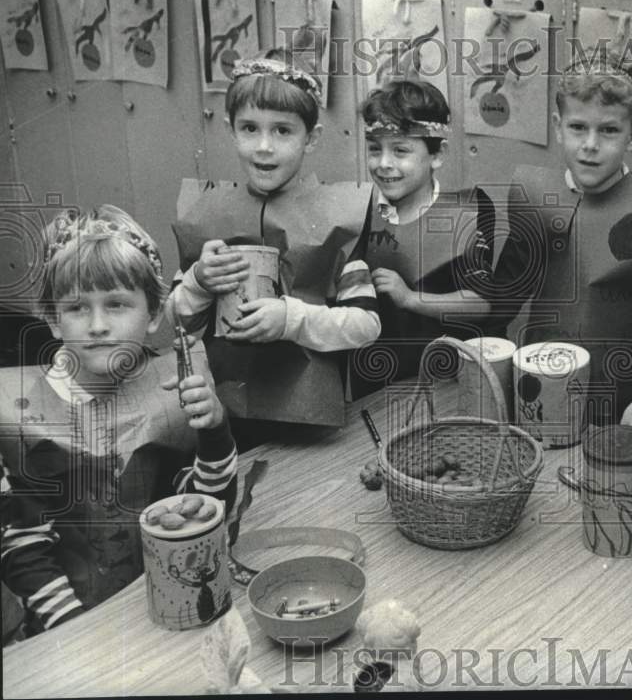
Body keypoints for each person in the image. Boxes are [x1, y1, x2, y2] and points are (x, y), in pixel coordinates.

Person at [0, 205, 238, 636]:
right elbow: (23, 545)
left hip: (173, 606)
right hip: (70, 625)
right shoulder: (20, 412)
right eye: (76, 308)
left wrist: (214, 430)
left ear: (152, 315)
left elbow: (205, 510)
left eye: (116, 304)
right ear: (53, 319)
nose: (97, 325)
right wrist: (75, 630)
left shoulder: (174, 385)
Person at [169, 52, 378, 442]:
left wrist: (290, 319)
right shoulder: (208, 215)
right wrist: (198, 282)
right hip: (224, 415)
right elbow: (176, 324)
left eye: (283, 131)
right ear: (231, 130)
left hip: (309, 418)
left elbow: (367, 325)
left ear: (311, 138)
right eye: (250, 128)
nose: (264, 146)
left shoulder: (337, 219)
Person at [492, 49, 632, 439]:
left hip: (622, 397)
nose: (590, 144)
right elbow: (502, 296)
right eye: (578, 127)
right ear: (557, 126)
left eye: (609, 131)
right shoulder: (535, 198)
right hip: (541, 385)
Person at [351, 79, 497, 397]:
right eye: (375, 149)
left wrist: (409, 298)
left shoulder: (469, 211)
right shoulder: (358, 209)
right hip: (376, 385)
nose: (384, 163)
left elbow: (481, 303)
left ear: (437, 154)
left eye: (401, 150)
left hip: (447, 382)